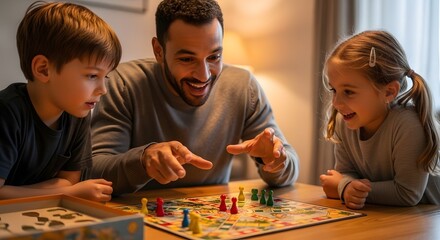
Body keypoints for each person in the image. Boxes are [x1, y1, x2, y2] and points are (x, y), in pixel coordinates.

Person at [90, 0, 299, 195]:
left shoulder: (243, 86)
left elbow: (289, 167)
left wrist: (274, 161)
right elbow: (95, 170)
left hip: (214, 225)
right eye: (187, 59)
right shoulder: (123, 84)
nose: (204, 75)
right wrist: (144, 160)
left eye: (214, 57)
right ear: (158, 51)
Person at [0, 1, 122, 201]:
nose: (103, 90)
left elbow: (69, 180)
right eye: (92, 76)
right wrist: (66, 192)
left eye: (105, 77)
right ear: (43, 69)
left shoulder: (77, 113)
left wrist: (66, 188)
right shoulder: (7, 112)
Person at [319, 30, 440, 209]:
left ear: (389, 92)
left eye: (349, 92)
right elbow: (346, 173)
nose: (336, 103)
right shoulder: (344, 121)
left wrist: (343, 186)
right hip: (389, 218)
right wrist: (345, 185)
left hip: (426, 222)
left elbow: (407, 193)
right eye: (334, 90)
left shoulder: (408, 125)